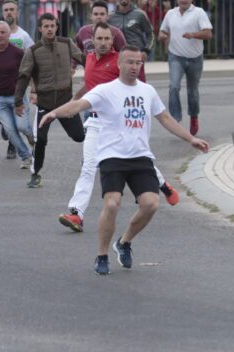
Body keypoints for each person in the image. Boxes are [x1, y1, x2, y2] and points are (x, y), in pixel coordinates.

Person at [39, 46, 209, 275]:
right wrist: (54, 113)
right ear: (119, 64)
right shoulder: (105, 90)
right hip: (112, 156)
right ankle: (101, 255)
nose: (134, 67)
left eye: (138, 63)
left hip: (140, 156)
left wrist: (191, 138)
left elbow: (165, 118)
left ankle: (124, 242)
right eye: (129, 62)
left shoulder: (147, 91)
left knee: (151, 204)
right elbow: (78, 105)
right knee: (111, 204)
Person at [58, 23, 179, 233]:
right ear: (92, 40)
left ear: (112, 41)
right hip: (95, 121)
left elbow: (135, 84)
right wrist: (75, 101)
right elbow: (90, 85)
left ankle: (162, 184)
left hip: (118, 122)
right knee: (88, 166)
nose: (103, 43)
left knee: (136, 155)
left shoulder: (119, 61)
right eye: (99, 39)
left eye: (107, 39)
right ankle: (77, 213)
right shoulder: (89, 59)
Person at [14, 13, 85, 188]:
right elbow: (23, 76)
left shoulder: (66, 43)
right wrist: (18, 101)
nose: (50, 29)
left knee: (79, 136)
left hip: (66, 103)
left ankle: (92, 155)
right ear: (40, 29)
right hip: (45, 104)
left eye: (52, 26)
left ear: (56, 27)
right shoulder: (33, 50)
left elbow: (85, 60)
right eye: (46, 26)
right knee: (40, 140)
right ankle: (35, 174)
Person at [158, 0, 213, 135]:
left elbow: (208, 34)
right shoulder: (170, 14)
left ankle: (194, 117)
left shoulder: (199, 12)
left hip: (195, 58)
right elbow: (162, 31)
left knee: (192, 92)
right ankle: (176, 120)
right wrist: (162, 36)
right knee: (174, 86)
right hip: (176, 57)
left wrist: (193, 35)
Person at [0, 0, 34, 160]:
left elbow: (31, 60)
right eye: (6, 10)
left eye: (12, 9)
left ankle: (21, 144)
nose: (9, 12)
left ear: (17, 13)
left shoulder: (24, 36)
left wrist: (34, 88)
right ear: (2, 13)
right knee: (6, 125)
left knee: (19, 127)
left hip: (16, 90)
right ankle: (22, 151)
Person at [109, 0, 155, 81]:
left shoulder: (140, 14)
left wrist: (146, 50)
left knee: (139, 85)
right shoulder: (110, 17)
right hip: (118, 59)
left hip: (136, 57)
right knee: (118, 85)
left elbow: (151, 34)